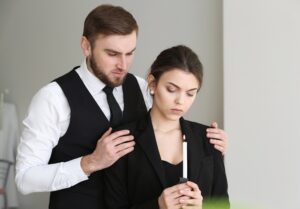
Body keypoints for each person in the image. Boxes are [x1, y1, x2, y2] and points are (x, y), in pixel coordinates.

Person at [15, 4, 228, 209]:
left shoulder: (141, 87)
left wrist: (211, 146)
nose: (123, 65)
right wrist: (90, 163)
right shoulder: (53, 98)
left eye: (130, 53)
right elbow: (24, 179)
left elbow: (165, 131)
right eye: (113, 54)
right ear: (86, 46)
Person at [104, 45, 229, 209]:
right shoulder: (123, 139)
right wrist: (157, 206)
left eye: (190, 93)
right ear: (152, 83)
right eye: (171, 89)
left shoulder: (209, 138)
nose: (180, 101)